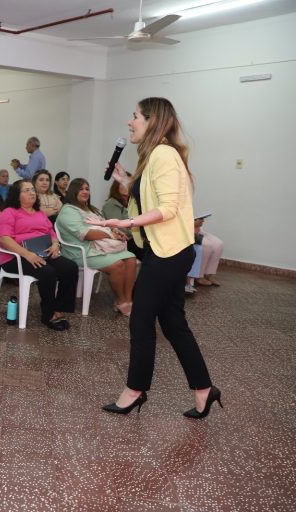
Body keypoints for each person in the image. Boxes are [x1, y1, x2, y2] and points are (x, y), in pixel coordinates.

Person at [89, 97, 220, 419]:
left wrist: (126, 222)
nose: (129, 122)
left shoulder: (162, 154)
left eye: (134, 116)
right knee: (174, 324)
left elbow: (168, 208)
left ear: (152, 121)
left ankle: (134, 390)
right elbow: (153, 196)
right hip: (170, 252)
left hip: (167, 254)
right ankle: (204, 389)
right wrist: (125, 182)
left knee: (141, 319)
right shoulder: (157, 156)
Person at [0, 180, 78, 331]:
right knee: (48, 272)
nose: (32, 192)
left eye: (32, 190)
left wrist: (55, 244)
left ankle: (58, 307)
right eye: (26, 190)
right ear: (17, 195)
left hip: (43, 252)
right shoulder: (10, 212)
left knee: (70, 268)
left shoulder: (39, 212)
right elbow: (4, 239)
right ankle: (48, 314)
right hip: (16, 256)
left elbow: (51, 232)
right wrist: (27, 255)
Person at [56, 178, 137, 316]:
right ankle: (120, 301)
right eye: (81, 189)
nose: (85, 191)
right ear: (73, 191)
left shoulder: (92, 210)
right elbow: (86, 234)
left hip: (100, 248)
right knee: (117, 265)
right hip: (80, 252)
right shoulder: (68, 210)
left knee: (131, 259)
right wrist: (111, 235)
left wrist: (116, 231)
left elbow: (106, 226)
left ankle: (128, 300)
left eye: (87, 189)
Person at [102, 176, 143, 260]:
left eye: (129, 184)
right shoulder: (111, 204)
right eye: (124, 184)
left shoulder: (133, 202)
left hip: (137, 238)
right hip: (125, 241)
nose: (127, 186)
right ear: (117, 186)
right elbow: (119, 228)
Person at [194, 218, 224, 287]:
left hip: (197, 228)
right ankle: (199, 276)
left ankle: (208, 273)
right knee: (206, 246)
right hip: (185, 229)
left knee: (218, 244)